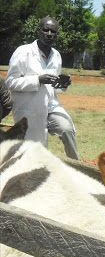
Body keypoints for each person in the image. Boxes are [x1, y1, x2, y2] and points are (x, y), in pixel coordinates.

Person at [5, 16, 79, 160]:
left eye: (53, 31)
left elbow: (53, 87)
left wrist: (63, 84)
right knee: (31, 153)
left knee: (66, 129)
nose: (49, 34)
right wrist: (37, 80)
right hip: (29, 108)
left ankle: (78, 167)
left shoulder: (56, 55)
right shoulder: (23, 52)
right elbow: (11, 82)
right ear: (39, 31)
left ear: (57, 34)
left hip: (50, 105)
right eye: (46, 30)